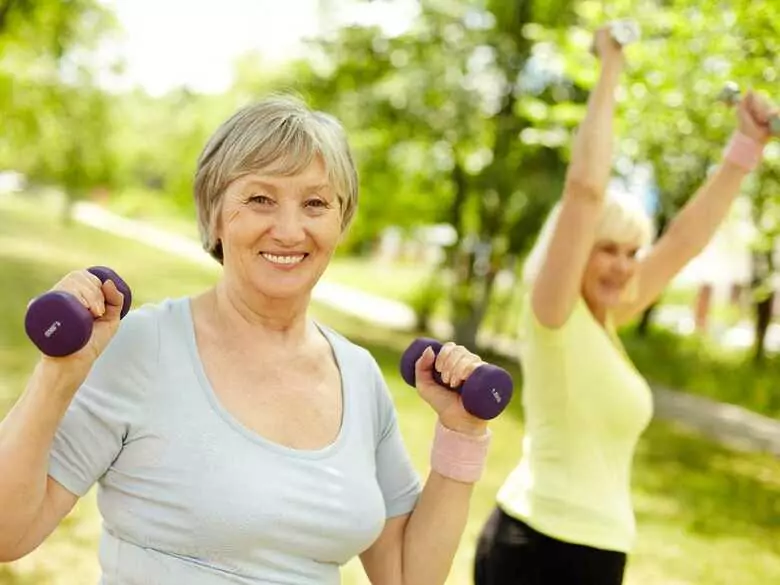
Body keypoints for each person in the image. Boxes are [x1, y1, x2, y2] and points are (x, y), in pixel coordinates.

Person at [0, 95, 496, 584]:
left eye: (316, 203)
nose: (288, 229)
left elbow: (409, 577)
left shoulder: (359, 375)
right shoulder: (145, 345)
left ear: (340, 221)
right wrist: (58, 375)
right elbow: (8, 534)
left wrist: (463, 434)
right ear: (215, 214)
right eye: (260, 199)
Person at [473, 25, 778, 585]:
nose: (623, 265)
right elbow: (585, 189)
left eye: (632, 252)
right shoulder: (552, 316)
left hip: (601, 550)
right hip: (538, 542)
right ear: (574, 250)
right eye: (606, 249)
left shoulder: (608, 320)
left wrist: (745, 149)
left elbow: (684, 240)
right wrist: (610, 63)